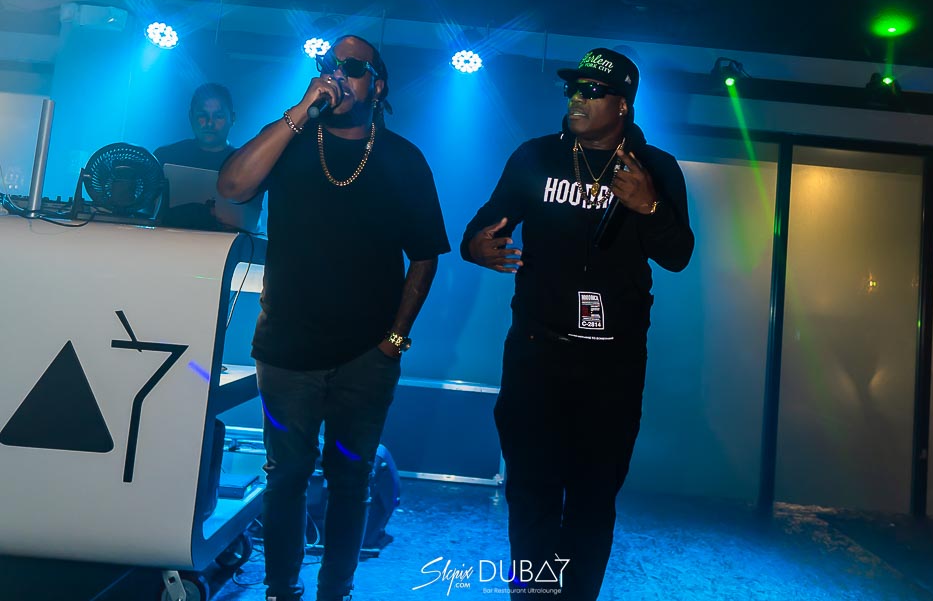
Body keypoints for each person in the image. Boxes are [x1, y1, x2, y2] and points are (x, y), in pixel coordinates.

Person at [218, 35, 449, 601]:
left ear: (378, 85)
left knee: (351, 479)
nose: (338, 74)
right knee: (286, 476)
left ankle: (335, 591)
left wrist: (394, 341)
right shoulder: (293, 140)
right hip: (286, 351)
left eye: (352, 67)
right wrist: (301, 109)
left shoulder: (403, 160)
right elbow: (232, 186)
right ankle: (281, 590)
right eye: (330, 65)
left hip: (365, 357)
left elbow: (425, 256)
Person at [461, 47, 695, 600]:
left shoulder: (656, 168)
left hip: (612, 363)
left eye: (592, 91)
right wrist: (476, 247)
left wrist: (650, 208)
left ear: (623, 104)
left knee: (592, 499)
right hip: (537, 353)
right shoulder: (536, 156)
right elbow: (483, 226)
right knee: (531, 492)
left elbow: (678, 254)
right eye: (573, 88)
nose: (576, 98)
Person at [155, 82, 260, 230]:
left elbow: (252, 221)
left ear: (232, 118)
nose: (210, 123)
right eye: (202, 115)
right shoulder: (165, 156)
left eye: (218, 116)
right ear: (191, 116)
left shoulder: (246, 164)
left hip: (226, 243)